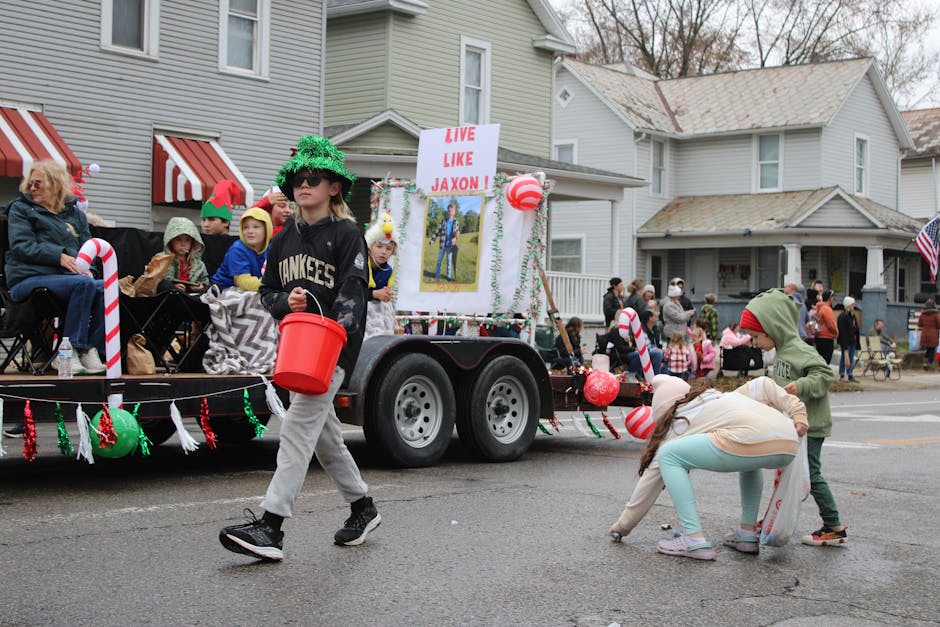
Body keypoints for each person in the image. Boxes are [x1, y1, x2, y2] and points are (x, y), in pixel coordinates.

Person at [219, 135, 380, 561]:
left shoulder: (348, 233)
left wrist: (335, 341)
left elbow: (352, 293)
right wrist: (282, 302)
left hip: (333, 349)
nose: (303, 185)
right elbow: (267, 290)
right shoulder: (282, 239)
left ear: (334, 188)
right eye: (297, 180)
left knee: (295, 427)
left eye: (314, 179)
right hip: (295, 347)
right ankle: (362, 507)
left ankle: (271, 527)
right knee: (322, 435)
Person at [608, 375, 808, 560]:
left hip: (751, 439)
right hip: (790, 440)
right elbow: (764, 384)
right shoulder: (723, 398)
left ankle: (694, 540)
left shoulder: (679, 421)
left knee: (668, 454)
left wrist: (622, 526)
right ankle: (747, 534)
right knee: (749, 458)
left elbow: (649, 484)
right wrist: (798, 413)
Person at [739, 288, 847, 547]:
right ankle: (773, 520)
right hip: (796, 424)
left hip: (812, 425)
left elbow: (824, 374)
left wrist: (802, 386)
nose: (754, 342)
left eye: (755, 336)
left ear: (772, 329)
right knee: (787, 475)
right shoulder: (784, 351)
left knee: (811, 475)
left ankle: (833, 525)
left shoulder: (798, 349)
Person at [5, 160, 106, 376]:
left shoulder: (75, 213)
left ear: (55, 184)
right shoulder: (21, 209)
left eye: (38, 184)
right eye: (30, 184)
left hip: (68, 279)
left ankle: (90, 348)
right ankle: (69, 352)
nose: (32, 188)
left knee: (106, 288)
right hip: (28, 277)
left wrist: (90, 268)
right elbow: (21, 246)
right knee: (83, 283)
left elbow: (89, 248)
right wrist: (58, 256)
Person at [210, 207, 273, 291]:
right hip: (223, 289)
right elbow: (243, 282)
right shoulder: (237, 249)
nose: (250, 231)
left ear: (267, 230)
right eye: (246, 227)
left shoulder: (270, 249)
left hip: (251, 289)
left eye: (256, 227)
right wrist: (271, 286)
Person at [363, 213, 399, 339]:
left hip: (379, 313)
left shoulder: (387, 270)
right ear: (369, 248)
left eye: (388, 249)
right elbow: (352, 293)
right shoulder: (360, 266)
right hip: (362, 314)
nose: (384, 252)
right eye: (379, 246)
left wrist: (386, 294)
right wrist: (374, 294)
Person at [610, 308, 664, 378]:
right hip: (623, 354)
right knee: (641, 354)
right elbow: (620, 347)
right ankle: (631, 373)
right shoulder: (615, 330)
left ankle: (659, 376)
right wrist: (634, 349)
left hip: (633, 351)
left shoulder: (631, 329)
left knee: (659, 354)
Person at [161, 217, 208, 294]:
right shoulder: (161, 259)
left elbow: (205, 282)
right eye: (178, 239)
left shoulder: (199, 264)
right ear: (170, 241)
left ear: (193, 242)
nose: (183, 244)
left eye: (187, 240)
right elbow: (152, 281)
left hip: (191, 300)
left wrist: (201, 287)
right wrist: (172, 287)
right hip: (168, 299)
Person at [431, 199, 459, 281]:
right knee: (439, 261)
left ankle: (448, 277)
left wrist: (457, 235)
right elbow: (437, 231)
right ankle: (437, 275)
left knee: (449, 263)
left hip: (450, 246)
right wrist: (432, 240)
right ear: (448, 211)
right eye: (449, 210)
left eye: (452, 211)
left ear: (454, 212)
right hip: (442, 245)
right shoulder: (444, 221)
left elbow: (457, 232)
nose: (450, 212)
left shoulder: (456, 222)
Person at [837, 296, 860, 381]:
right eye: (852, 305)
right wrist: (844, 344)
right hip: (846, 341)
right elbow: (842, 331)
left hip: (852, 340)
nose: (853, 307)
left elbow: (855, 327)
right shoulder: (843, 316)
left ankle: (850, 374)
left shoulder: (852, 316)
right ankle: (842, 374)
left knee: (851, 357)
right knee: (844, 357)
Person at [813, 290, 838, 365]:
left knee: (820, 361)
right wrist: (836, 332)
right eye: (833, 297)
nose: (833, 300)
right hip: (826, 338)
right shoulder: (827, 309)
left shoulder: (819, 307)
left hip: (819, 337)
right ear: (830, 298)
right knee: (825, 362)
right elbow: (831, 325)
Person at [917, 299, 940, 370]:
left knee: (928, 349)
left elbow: (919, 324)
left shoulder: (922, 314)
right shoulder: (936, 314)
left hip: (924, 334)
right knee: (932, 349)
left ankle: (925, 362)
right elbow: (939, 325)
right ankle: (929, 363)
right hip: (933, 335)